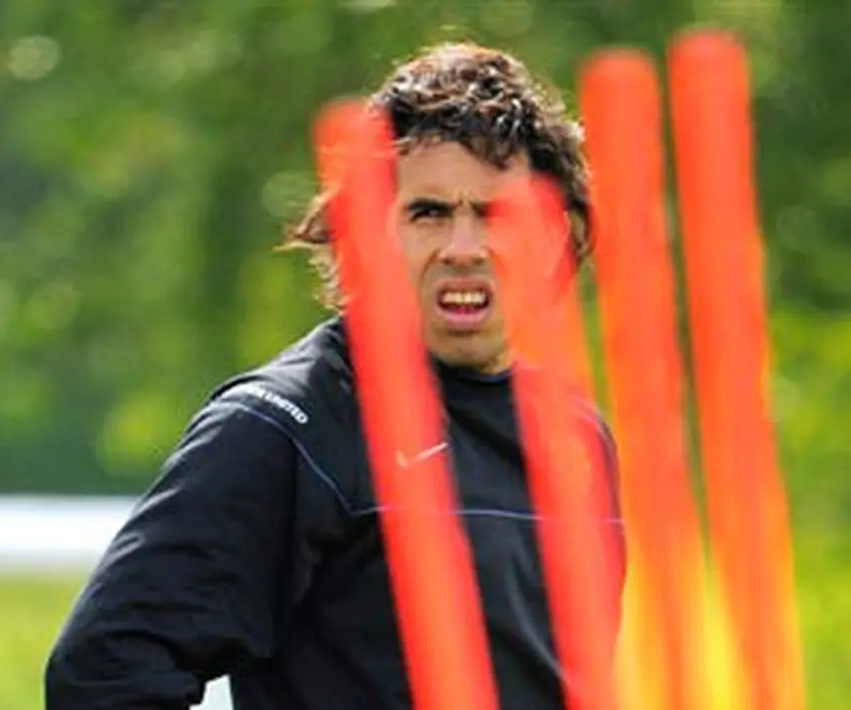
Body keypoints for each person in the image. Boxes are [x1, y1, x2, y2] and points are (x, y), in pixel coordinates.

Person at [44, 41, 625, 710]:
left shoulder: (576, 436)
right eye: (427, 212)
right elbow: (105, 668)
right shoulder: (283, 425)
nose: (463, 249)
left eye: (495, 213)